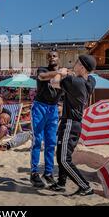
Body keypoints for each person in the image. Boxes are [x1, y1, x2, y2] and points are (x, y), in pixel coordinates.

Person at [49, 54, 97, 196]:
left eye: (76, 62)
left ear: (82, 67)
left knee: (64, 159)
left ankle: (85, 186)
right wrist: (71, 74)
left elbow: (53, 83)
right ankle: (61, 183)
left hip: (70, 123)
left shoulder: (74, 81)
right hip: (74, 124)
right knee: (61, 154)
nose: (73, 64)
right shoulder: (90, 81)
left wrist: (60, 73)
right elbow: (89, 77)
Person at [30, 50, 63, 188]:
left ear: (58, 58)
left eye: (54, 56)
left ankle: (48, 173)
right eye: (49, 56)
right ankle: (34, 173)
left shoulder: (64, 76)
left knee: (51, 143)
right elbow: (42, 77)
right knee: (37, 141)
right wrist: (61, 73)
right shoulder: (42, 70)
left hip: (53, 109)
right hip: (40, 107)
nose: (51, 58)